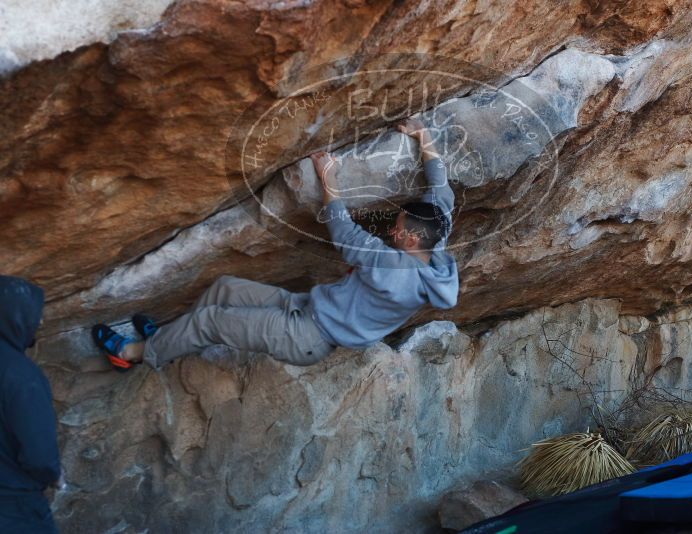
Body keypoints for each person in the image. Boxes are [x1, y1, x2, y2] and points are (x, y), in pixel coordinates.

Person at [91, 117, 458, 369]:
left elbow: (344, 232)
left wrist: (328, 179)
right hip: (306, 306)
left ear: (410, 237)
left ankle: (133, 353)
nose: (391, 231)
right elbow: (441, 192)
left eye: (396, 229)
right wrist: (422, 135)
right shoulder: (435, 248)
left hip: (307, 336)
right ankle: (171, 341)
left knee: (210, 321)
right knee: (225, 289)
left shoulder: (390, 265)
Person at [0, 275, 62, 533]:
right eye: (35, 313)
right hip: (13, 506)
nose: (40, 321)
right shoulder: (21, 376)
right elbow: (40, 455)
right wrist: (53, 474)